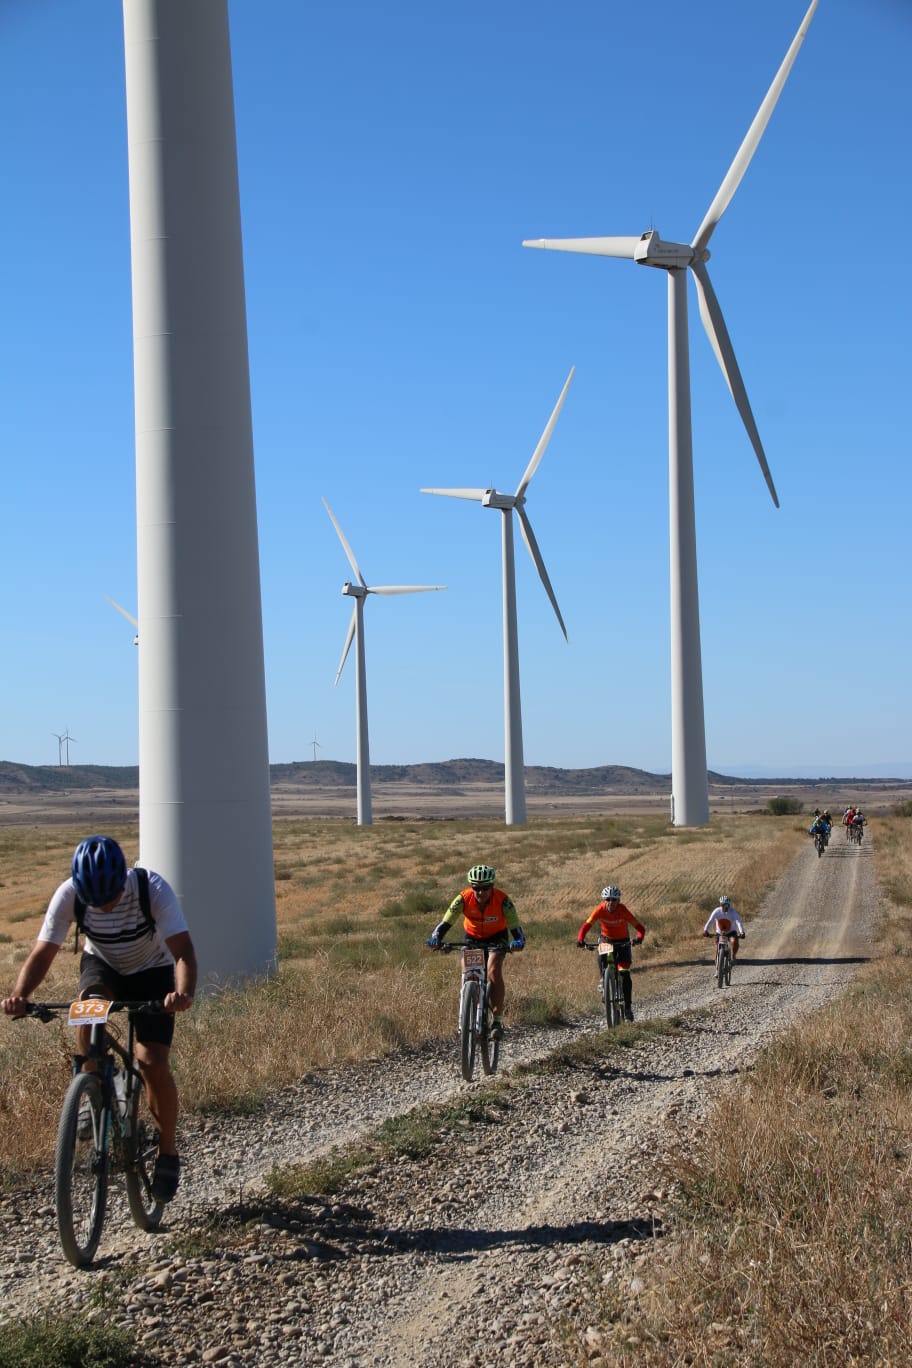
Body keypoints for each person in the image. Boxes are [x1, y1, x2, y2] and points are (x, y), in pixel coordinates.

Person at [1, 835, 197, 1202]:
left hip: (152, 969)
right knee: (87, 1007)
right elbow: (43, 953)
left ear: (121, 879)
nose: (103, 907)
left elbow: (183, 951)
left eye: (109, 897)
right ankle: (90, 1087)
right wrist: (20, 997)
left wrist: (182, 994)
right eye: (95, 900)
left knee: (152, 1062)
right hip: (103, 966)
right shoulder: (69, 895)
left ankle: (168, 1152)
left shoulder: (150, 888)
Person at [428, 863, 524, 1039]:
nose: (480, 892)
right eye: (476, 888)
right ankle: (464, 1022)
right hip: (472, 938)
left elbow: (516, 928)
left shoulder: (503, 901)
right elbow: (445, 923)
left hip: (497, 937)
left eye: (485, 888)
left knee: (493, 970)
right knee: (468, 974)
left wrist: (518, 941)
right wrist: (436, 938)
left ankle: (496, 1020)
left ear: (492, 886)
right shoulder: (463, 898)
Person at [576, 885, 645, 1022]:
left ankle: (628, 1007)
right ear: (604, 900)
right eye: (608, 899)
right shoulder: (600, 909)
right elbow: (586, 925)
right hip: (607, 940)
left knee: (625, 973)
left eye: (614, 899)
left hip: (623, 942)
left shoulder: (623, 910)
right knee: (602, 953)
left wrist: (638, 938)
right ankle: (604, 979)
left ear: (618, 901)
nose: (611, 902)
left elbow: (640, 928)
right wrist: (580, 939)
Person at [702, 895, 746, 961]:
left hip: (731, 932)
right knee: (717, 943)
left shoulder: (733, 912)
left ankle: (733, 955)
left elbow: (738, 922)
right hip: (720, 933)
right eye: (723, 905)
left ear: (729, 905)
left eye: (727, 905)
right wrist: (705, 930)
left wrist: (742, 932)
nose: (725, 907)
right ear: (720, 904)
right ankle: (717, 959)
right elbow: (710, 921)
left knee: (734, 942)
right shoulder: (716, 911)